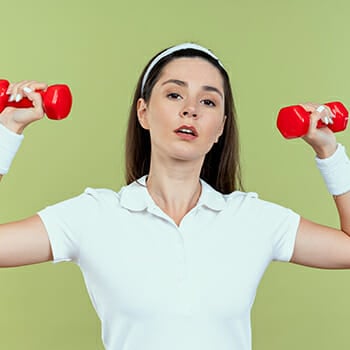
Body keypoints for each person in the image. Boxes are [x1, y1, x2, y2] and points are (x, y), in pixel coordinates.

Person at [1, 42, 350, 350]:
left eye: (208, 100)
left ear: (220, 128)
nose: (191, 109)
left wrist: (329, 151)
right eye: (174, 94)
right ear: (143, 112)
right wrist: (9, 130)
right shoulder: (94, 215)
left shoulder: (252, 219)